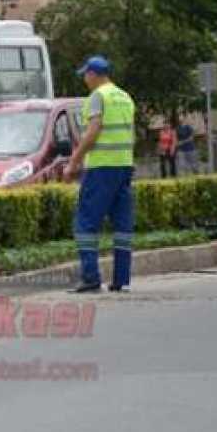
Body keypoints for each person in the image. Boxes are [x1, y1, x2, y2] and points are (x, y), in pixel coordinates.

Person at [63, 56, 136, 293]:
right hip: (124, 166)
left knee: (85, 222)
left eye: (86, 74)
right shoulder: (124, 96)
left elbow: (93, 131)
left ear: (94, 74)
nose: (85, 79)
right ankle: (120, 279)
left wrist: (74, 161)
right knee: (122, 223)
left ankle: (91, 278)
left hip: (101, 167)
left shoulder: (98, 97)